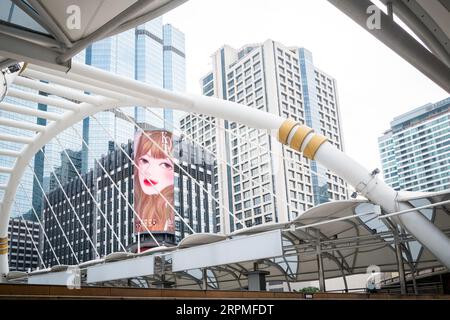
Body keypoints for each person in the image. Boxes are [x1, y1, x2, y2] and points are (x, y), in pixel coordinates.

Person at [134, 130, 175, 233]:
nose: (148, 171)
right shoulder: (139, 204)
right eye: (144, 160)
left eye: (165, 165)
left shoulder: (171, 214)